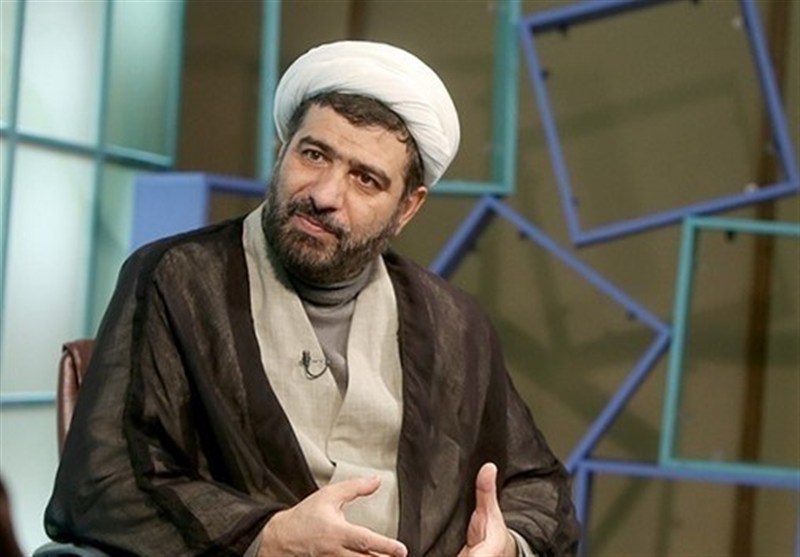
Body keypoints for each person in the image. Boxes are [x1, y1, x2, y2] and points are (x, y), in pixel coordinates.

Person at [44, 41, 579, 556]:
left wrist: (506, 545)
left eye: (365, 179)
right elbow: (102, 483)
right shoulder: (177, 279)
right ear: (281, 151)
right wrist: (268, 537)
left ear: (407, 208)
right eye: (314, 154)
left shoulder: (453, 322)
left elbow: (537, 486)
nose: (324, 195)